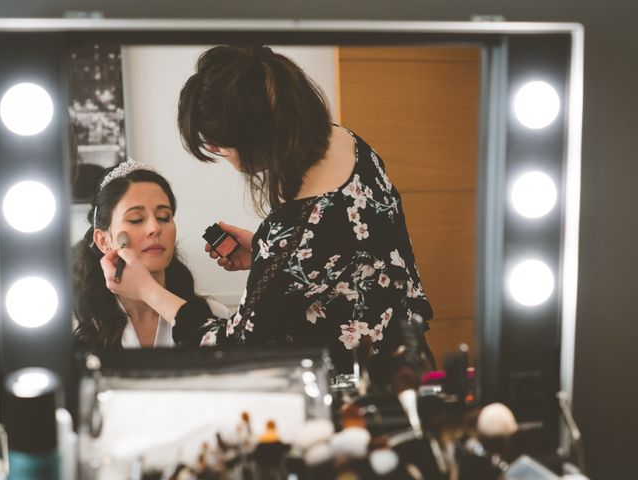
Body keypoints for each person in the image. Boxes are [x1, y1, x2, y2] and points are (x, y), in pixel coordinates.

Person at [115, 45, 434, 372]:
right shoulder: (349, 144)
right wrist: (266, 255)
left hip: (365, 384)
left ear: (252, 136)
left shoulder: (291, 230)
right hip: (409, 354)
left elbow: (234, 345)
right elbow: (350, 250)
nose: (215, 150)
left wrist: (148, 291)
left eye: (219, 145)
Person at [73, 159, 229, 348]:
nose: (155, 228)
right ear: (103, 241)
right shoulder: (78, 325)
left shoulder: (214, 316)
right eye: (136, 219)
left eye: (164, 217)